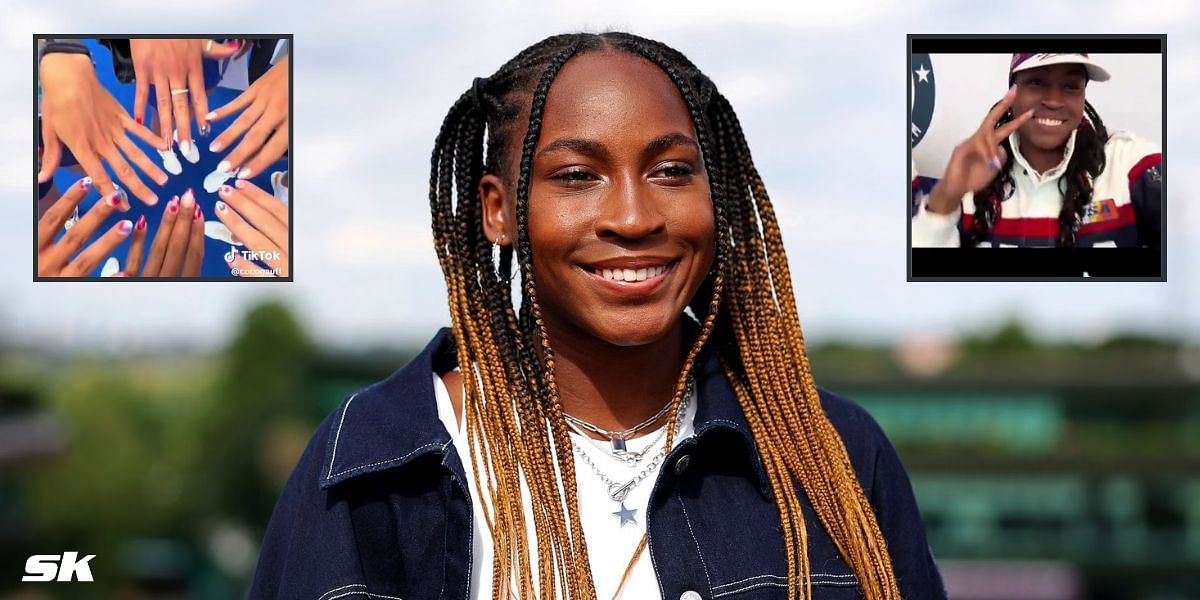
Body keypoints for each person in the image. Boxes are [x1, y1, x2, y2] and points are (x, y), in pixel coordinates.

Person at [251, 32, 944, 600]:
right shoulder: (373, 463)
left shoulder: (834, 457)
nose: (634, 217)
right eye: (577, 176)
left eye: (672, 170)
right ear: (498, 210)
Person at [912, 53, 1161, 248]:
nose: (1053, 100)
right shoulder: (972, 175)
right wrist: (948, 195)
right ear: (1012, 93)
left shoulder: (1130, 163)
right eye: (1036, 82)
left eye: (1071, 86)